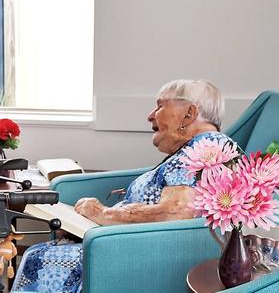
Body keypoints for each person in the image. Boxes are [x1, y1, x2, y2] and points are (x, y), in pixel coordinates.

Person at [12, 79, 234, 292]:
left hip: (136, 255)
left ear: (189, 113)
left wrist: (102, 213)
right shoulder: (205, 147)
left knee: (39, 257)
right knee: (43, 252)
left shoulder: (205, 149)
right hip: (126, 246)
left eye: (159, 106)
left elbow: (175, 212)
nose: (150, 116)